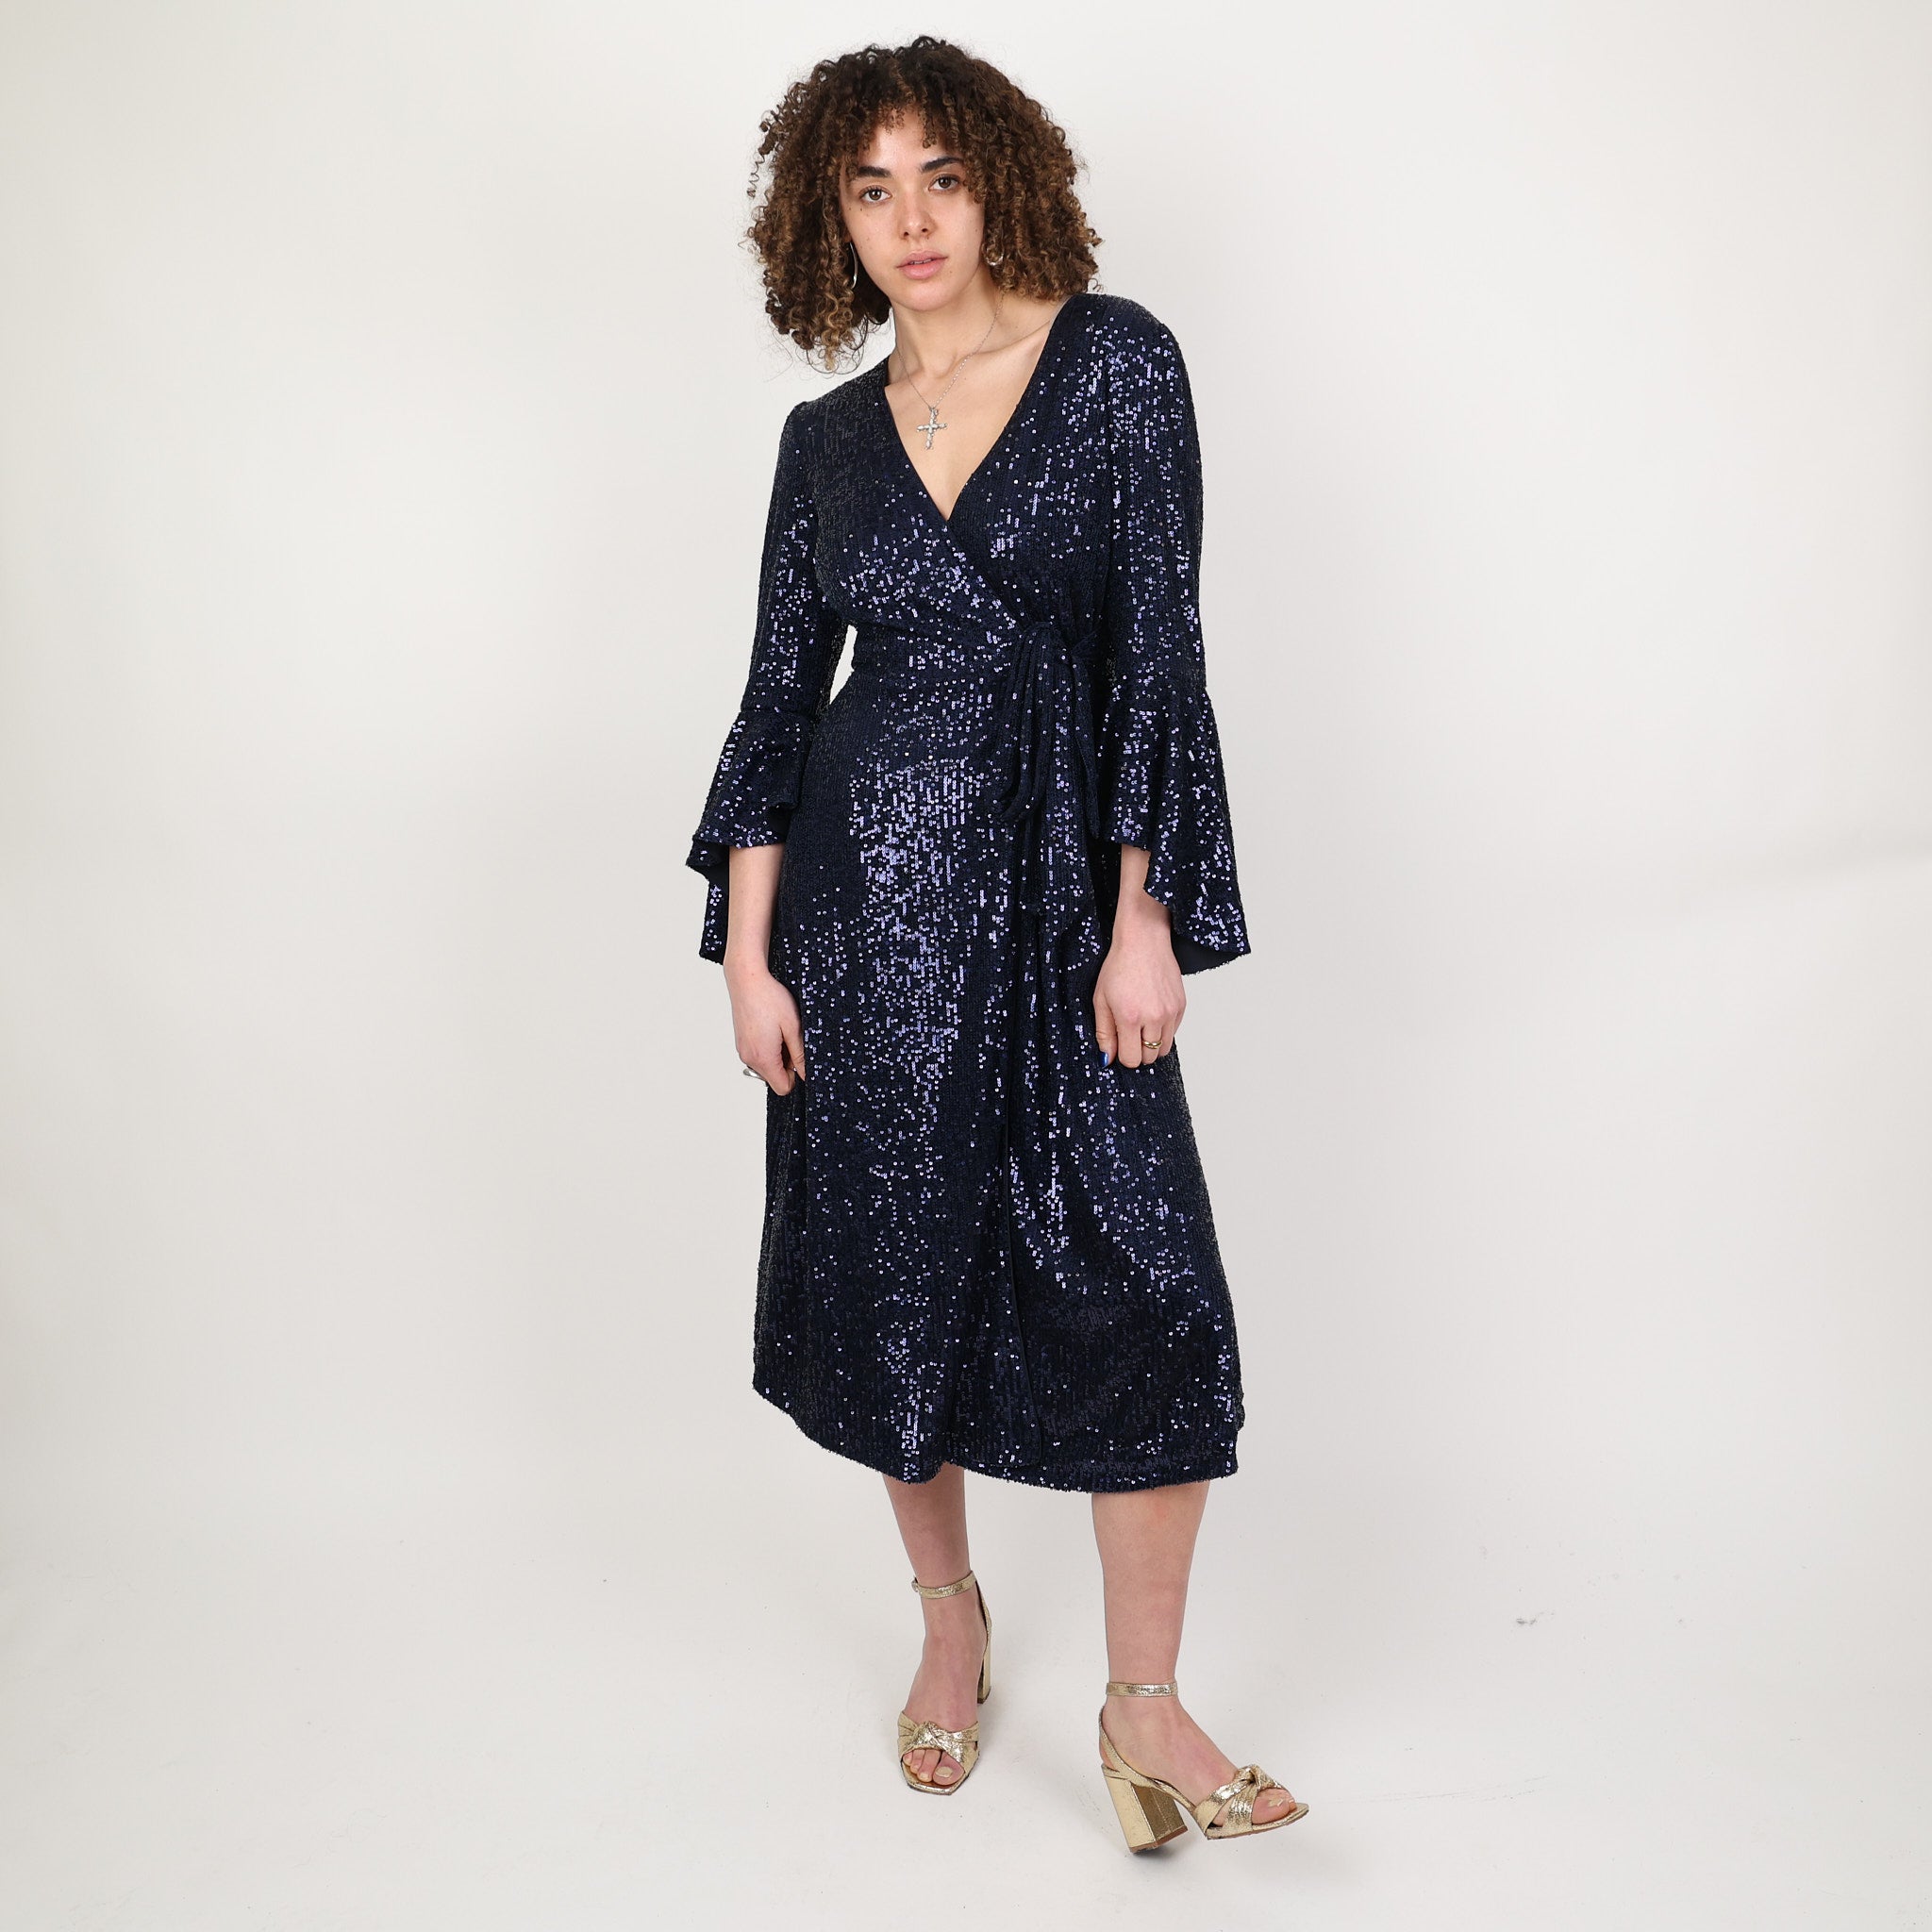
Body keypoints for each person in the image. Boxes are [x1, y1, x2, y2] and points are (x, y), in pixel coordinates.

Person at [685, 36, 1306, 1849]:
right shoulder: (822, 443)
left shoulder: (1115, 366)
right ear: (828, 220)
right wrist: (750, 955)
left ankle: (1144, 1707)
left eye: (941, 178)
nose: (912, 221)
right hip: (863, 919)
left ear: (1000, 180)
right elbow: (776, 706)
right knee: (897, 1274)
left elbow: (1159, 658)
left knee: (1150, 1286)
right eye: (870, 189)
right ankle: (947, 1621)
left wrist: (1144, 915)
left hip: (1057, 910)